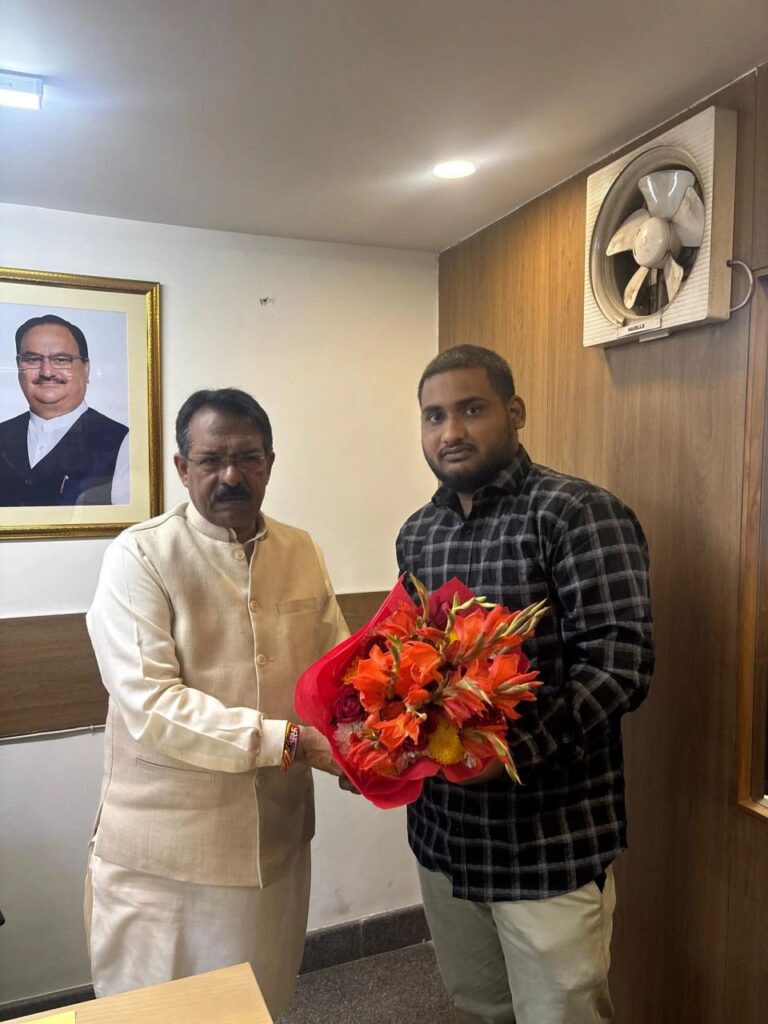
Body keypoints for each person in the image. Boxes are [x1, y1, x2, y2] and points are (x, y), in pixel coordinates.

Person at [396, 345, 653, 1024]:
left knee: (560, 1015)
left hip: (549, 843)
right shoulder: (417, 533)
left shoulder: (577, 513)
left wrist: (510, 752)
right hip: (445, 836)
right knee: (480, 1008)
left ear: (515, 412)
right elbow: (413, 665)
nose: (450, 432)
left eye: (471, 409)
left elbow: (620, 666)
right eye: (433, 416)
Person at [85, 387, 348, 1018]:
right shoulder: (139, 554)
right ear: (182, 467)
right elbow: (153, 704)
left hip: (275, 844)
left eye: (248, 458)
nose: (231, 475)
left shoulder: (301, 550)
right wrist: (295, 742)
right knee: (156, 1014)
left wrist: (370, 743)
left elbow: (340, 673)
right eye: (211, 460)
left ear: (270, 463)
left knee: (256, 1005)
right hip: (166, 858)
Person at [0, 314, 129, 506]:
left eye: (61, 360)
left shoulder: (122, 442)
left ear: (86, 369)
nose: (47, 372)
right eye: (33, 359)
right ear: (18, 367)